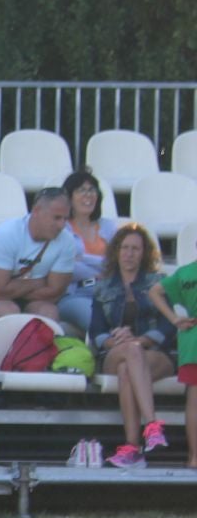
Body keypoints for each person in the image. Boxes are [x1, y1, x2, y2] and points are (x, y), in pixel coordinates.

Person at [88, 223, 170, 468]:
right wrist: (118, 341)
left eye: (135, 248)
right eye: (125, 248)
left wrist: (141, 340)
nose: (129, 253)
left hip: (153, 352)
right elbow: (96, 331)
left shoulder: (158, 283)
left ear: (144, 253)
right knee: (130, 353)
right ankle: (153, 425)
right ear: (117, 251)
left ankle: (132, 448)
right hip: (115, 351)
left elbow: (169, 325)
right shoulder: (103, 287)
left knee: (128, 369)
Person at [0, 187, 75, 327]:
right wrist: (37, 282)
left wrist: (13, 287)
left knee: (49, 313)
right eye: (56, 218)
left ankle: (39, 349)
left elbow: (55, 292)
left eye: (65, 219)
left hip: (31, 299)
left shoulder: (67, 241)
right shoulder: (6, 234)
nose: (62, 225)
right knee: (7, 312)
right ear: (37, 211)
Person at [148, 242, 197, 468]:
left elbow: (154, 291)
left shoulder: (185, 273)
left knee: (194, 401)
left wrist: (174, 318)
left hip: (191, 339)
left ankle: (194, 457)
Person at [57, 171, 119, 333]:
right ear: (69, 197)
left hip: (110, 291)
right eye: (81, 190)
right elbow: (68, 268)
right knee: (98, 319)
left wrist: (82, 260)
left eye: (92, 190)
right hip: (75, 294)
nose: (88, 195)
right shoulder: (61, 229)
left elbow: (119, 264)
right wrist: (103, 266)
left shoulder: (109, 227)